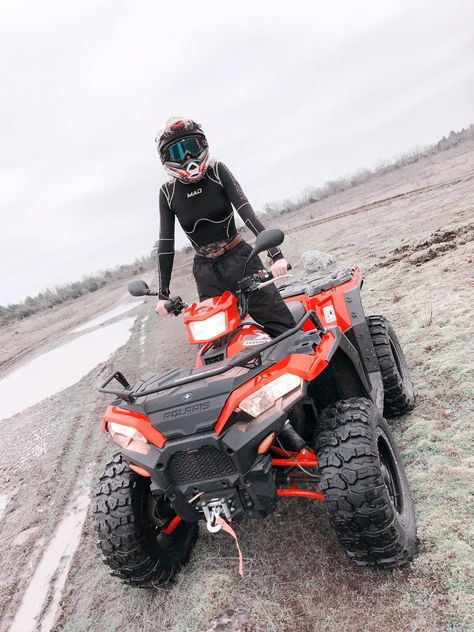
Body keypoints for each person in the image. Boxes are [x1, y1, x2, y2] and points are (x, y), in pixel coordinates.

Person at [154, 117, 296, 337]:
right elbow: (165, 244)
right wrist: (163, 295)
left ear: (202, 145)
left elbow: (247, 213)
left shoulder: (218, 171)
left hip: (241, 260)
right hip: (205, 272)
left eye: (191, 147)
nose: (188, 157)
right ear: (166, 159)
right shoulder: (167, 192)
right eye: (178, 152)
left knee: (282, 326)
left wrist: (276, 255)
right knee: (216, 341)